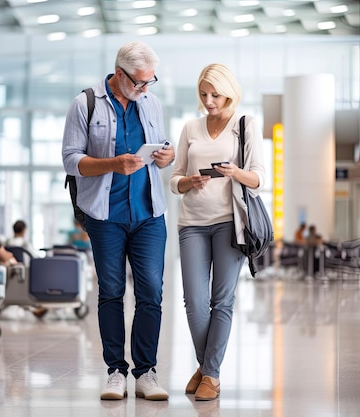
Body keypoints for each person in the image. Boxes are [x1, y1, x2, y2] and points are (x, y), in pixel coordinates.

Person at [62, 41, 175, 401]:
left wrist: (166, 155)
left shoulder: (151, 103)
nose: (144, 89)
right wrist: (113, 163)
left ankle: (146, 372)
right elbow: (70, 160)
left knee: (151, 294)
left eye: (148, 82)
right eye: (139, 82)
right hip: (105, 216)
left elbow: (161, 150)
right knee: (111, 292)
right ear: (119, 73)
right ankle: (115, 371)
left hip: (148, 214)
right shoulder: (85, 103)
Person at [169, 63, 265, 401]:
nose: (209, 101)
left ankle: (210, 374)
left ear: (229, 92)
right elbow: (174, 178)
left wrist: (235, 172)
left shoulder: (245, 125)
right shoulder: (190, 127)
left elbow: (259, 179)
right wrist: (188, 182)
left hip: (231, 223)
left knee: (221, 300)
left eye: (215, 94)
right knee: (194, 302)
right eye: (204, 94)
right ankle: (208, 366)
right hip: (192, 223)